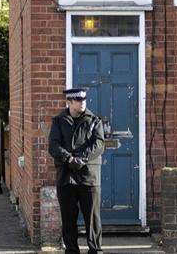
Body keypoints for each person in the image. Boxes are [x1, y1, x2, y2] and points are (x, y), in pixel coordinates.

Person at [48, 88, 104, 254]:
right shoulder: (58, 121)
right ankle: (71, 250)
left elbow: (99, 144)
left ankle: (95, 250)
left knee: (92, 218)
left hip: (89, 177)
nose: (82, 103)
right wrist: (69, 159)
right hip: (66, 177)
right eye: (78, 100)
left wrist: (82, 158)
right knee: (68, 219)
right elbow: (53, 145)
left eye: (84, 100)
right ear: (69, 102)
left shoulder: (94, 120)